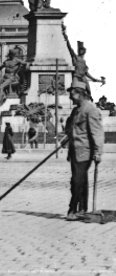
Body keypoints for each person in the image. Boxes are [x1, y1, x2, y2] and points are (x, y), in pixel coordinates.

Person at [63, 80, 104, 221]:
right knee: (81, 180)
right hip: (74, 151)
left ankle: (73, 209)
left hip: (85, 151)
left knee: (77, 181)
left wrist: (98, 152)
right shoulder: (76, 110)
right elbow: (70, 129)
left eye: (72, 93)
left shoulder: (90, 109)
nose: (70, 97)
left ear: (80, 94)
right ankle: (82, 209)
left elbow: (97, 132)